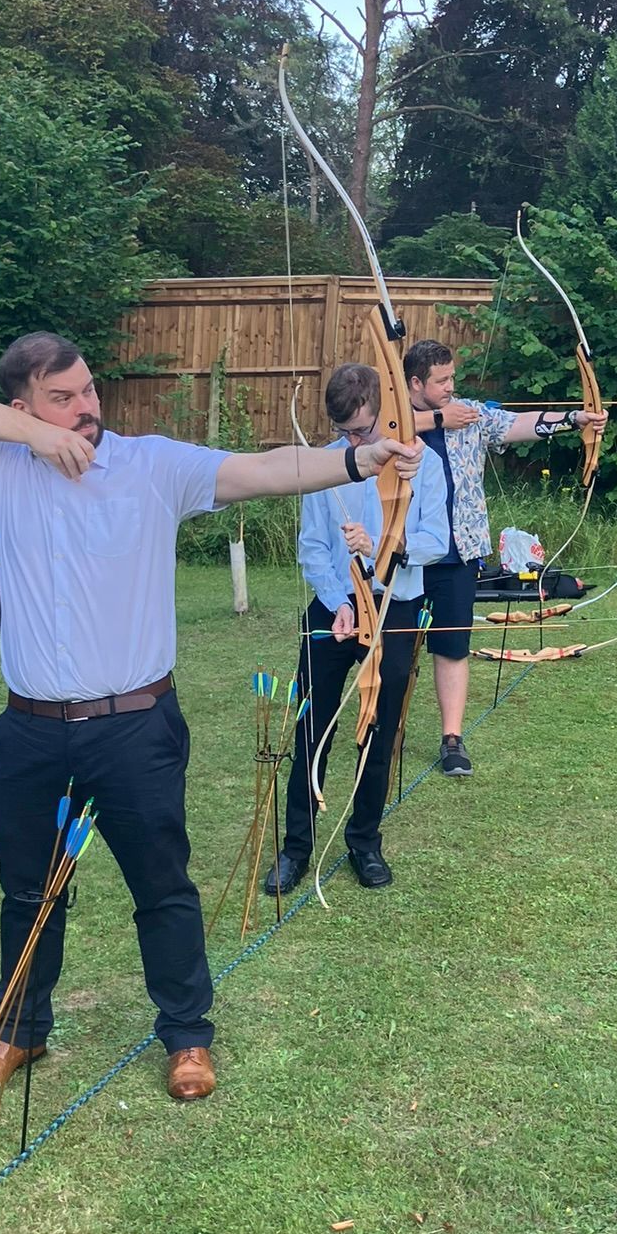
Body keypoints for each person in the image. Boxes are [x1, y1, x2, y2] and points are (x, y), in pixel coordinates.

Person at [0, 331, 420, 1104]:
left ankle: (186, 1033)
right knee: (27, 891)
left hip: (135, 726)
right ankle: (20, 1030)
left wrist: (357, 460)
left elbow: (267, 469)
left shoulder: (149, 466)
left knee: (162, 886)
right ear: (22, 407)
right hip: (32, 729)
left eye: (87, 390)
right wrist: (32, 438)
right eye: (61, 398)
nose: (85, 407)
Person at [264, 363, 447, 898]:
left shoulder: (423, 464)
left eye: (363, 431)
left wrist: (383, 547)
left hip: (396, 603)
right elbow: (314, 547)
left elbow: (436, 541)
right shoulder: (327, 464)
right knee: (311, 724)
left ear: (386, 412)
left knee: (379, 727)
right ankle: (297, 846)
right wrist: (338, 601)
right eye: (343, 432)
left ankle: (364, 841)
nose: (353, 441)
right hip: (336, 610)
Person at [403, 339, 608, 777]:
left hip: (459, 554)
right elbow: (376, 432)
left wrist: (575, 419)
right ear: (415, 382)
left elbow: (518, 423)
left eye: (452, 378)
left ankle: (452, 739)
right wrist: (436, 419)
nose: (450, 387)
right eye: (441, 381)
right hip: (403, 554)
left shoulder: (469, 415)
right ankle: (383, 726)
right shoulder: (392, 415)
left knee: (452, 646)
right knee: (396, 644)